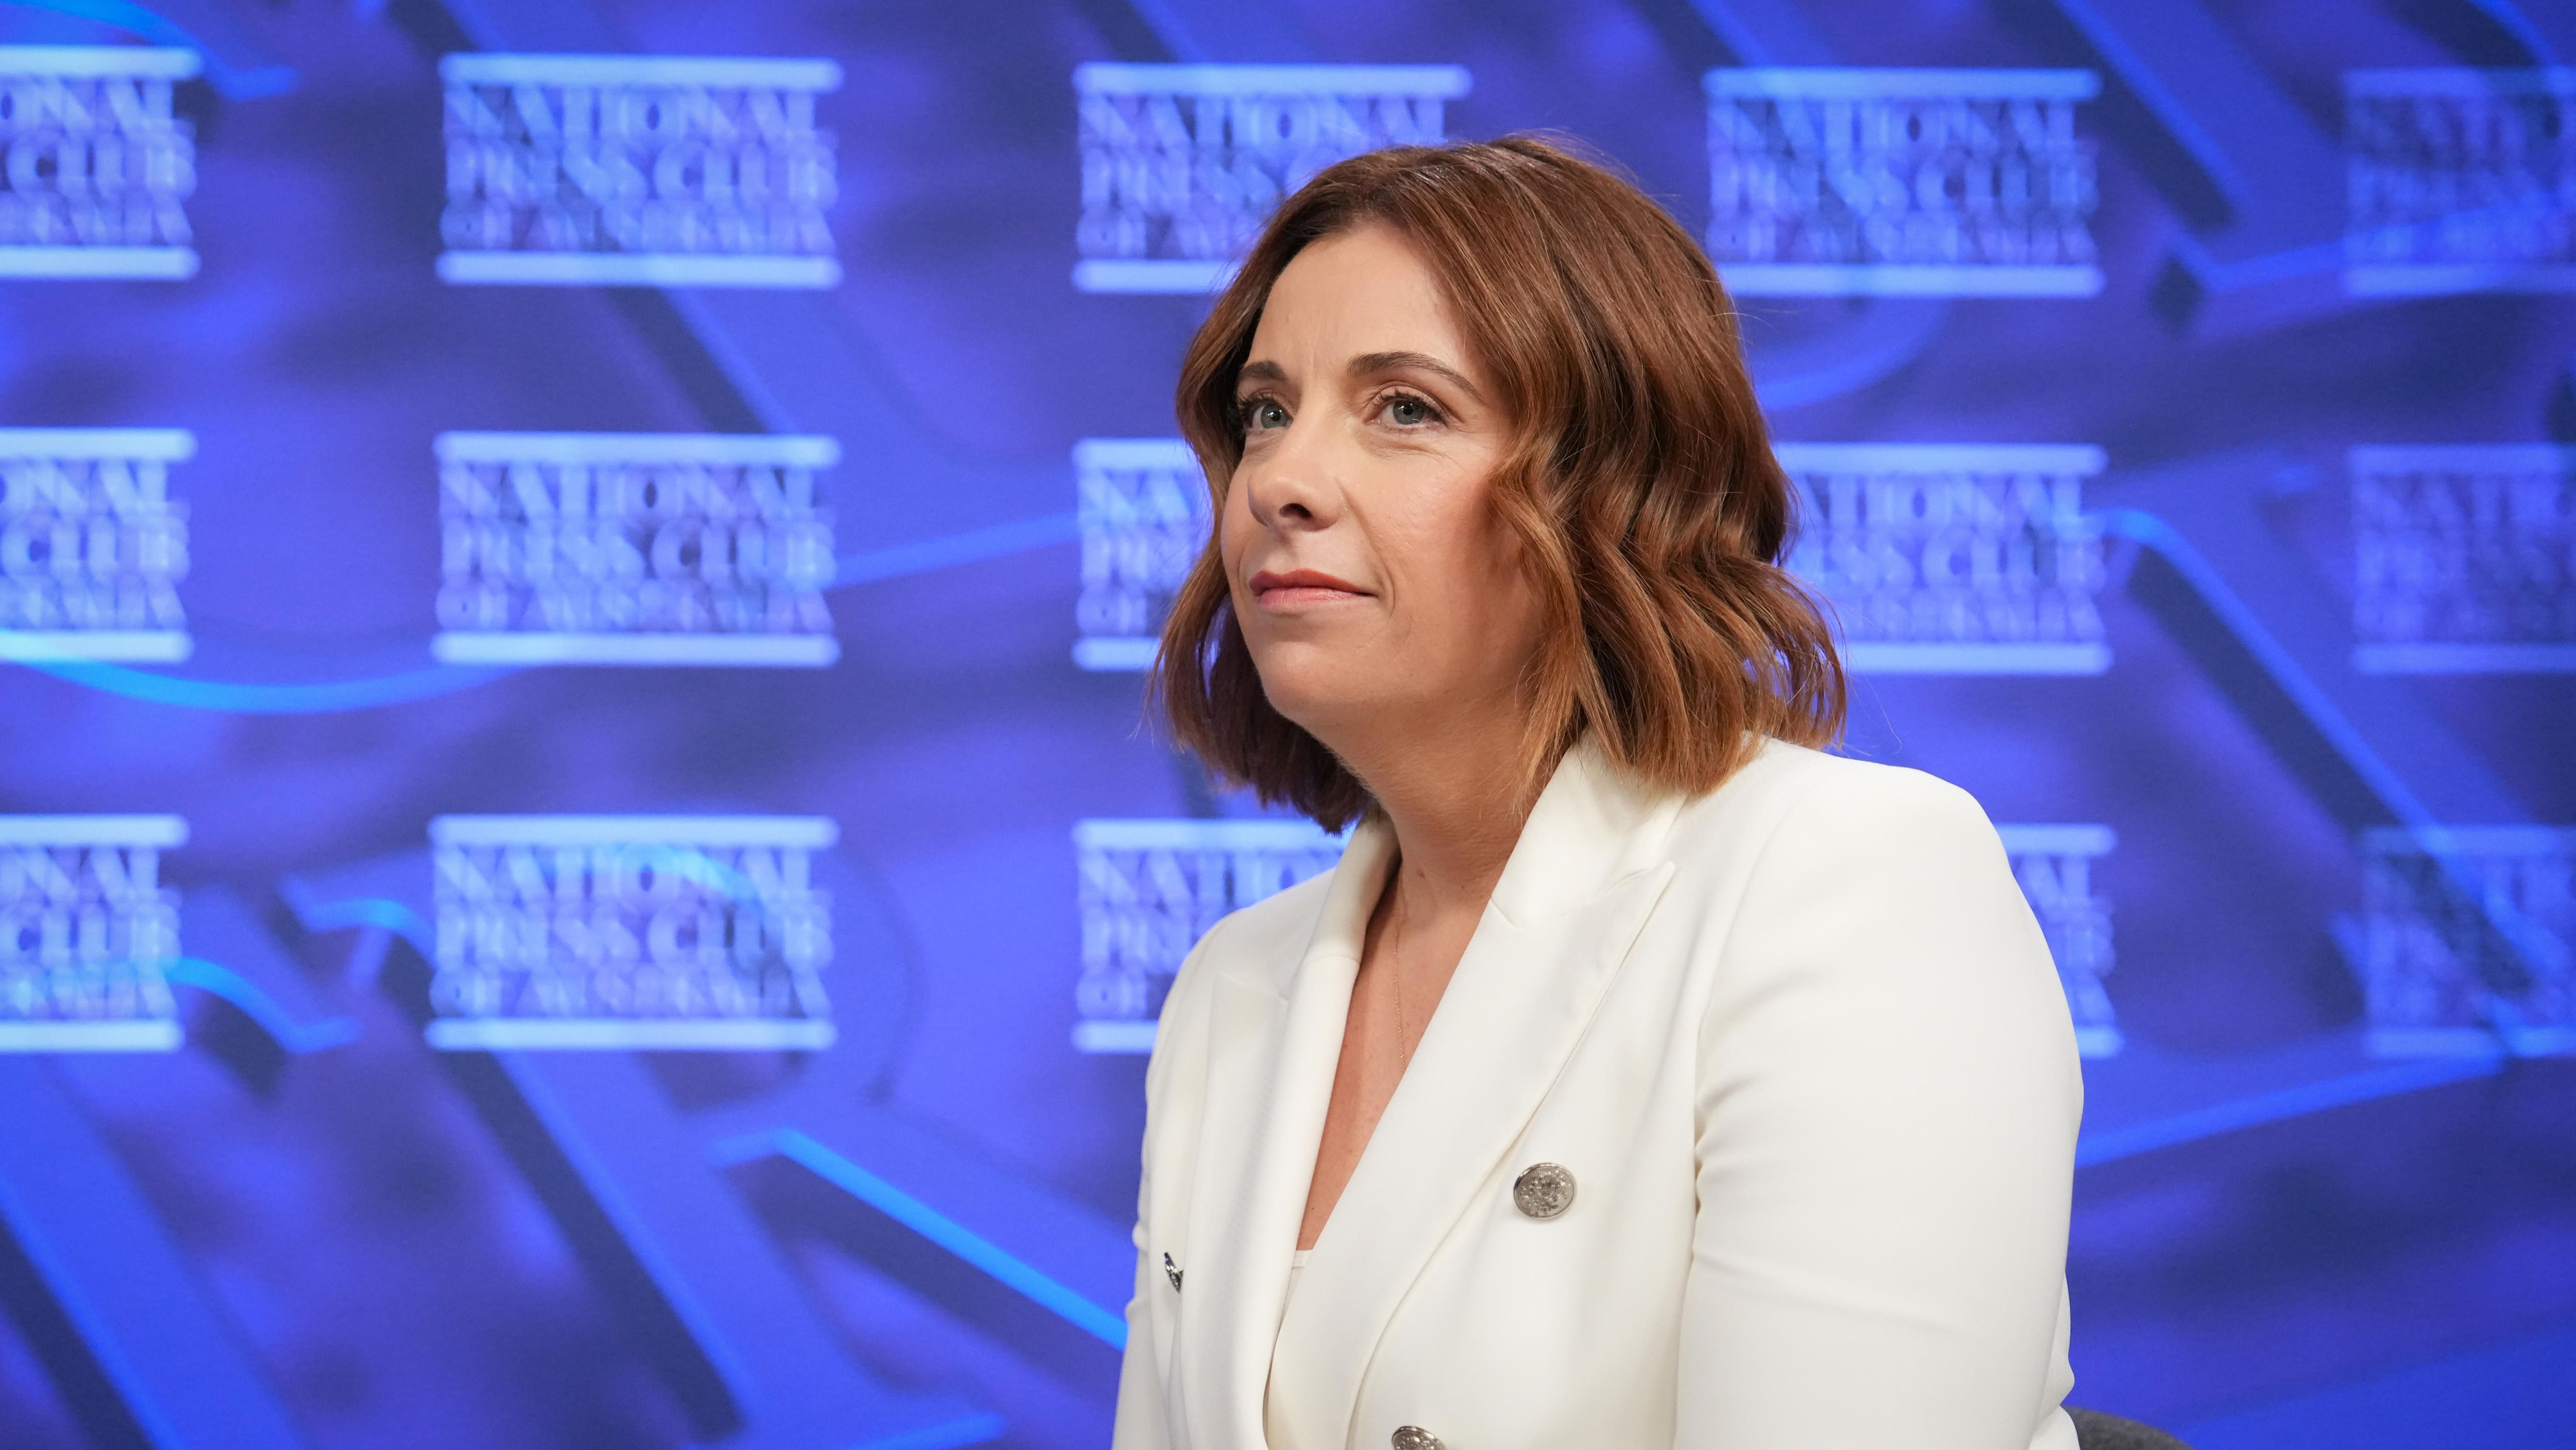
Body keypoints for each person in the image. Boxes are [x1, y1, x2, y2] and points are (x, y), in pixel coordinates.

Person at [1110, 137, 2081, 1450]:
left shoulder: (1845, 878)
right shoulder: (1233, 982)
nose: (1277, 481)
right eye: (1266, 412)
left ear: (1612, 487)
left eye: (1405, 409)